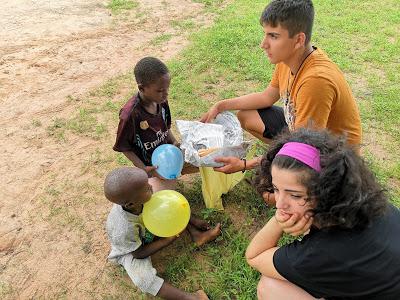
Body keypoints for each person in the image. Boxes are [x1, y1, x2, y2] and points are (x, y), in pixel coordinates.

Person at [200, 0, 362, 181]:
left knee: (274, 194)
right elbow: (267, 96)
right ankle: (279, 156)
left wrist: (246, 164)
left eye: (273, 36)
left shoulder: (316, 81)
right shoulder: (290, 59)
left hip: (336, 158)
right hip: (306, 134)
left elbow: (303, 149)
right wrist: (221, 105)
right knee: (246, 115)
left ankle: (282, 161)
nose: (264, 44)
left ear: (299, 40)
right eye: (265, 34)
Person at [245, 128, 400, 300]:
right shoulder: (373, 206)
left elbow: (255, 256)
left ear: (328, 192)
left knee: (270, 287)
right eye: (276, 189)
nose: (279, 204)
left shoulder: (318, 255)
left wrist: (277, 221)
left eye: (295, 195)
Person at [104, 167, 221, 300]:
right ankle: (190, 298)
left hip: (149, 230)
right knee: (144, 280)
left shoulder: (141, 199)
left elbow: (171, 207)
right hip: (132, 250)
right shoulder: (123, 228)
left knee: (168, 208)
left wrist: (192, 220)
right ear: (131, 204)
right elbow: (138, 253)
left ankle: (198, 235)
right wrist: (166, 241)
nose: (151, 187)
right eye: (147, 188)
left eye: (148, 183)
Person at [113, 56, 195, 192]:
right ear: (142, 88)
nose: (166, 94)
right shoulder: (130, 115)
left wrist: (175, 143)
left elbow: (166, 126)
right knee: (159, 197)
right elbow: (124, 148)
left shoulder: (161, 101)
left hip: (169, 156)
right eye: (160, 90)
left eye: (167, 88)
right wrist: (144, 169)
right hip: (154, 167)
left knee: (207, 159)